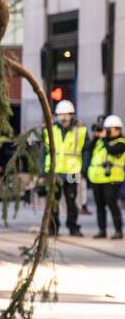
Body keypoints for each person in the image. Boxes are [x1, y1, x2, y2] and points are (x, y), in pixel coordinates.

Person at [43, 100, 87, 237]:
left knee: (71, 201)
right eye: (60, 114)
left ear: (72, 115)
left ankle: (73, 227)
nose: (63, 117)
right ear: (56, 115)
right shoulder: (49, 130)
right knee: (53, 201)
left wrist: (84, 169)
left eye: (66, 114)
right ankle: (53, 228)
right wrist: (42, 171)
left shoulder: (81, 131)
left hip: (71, 171)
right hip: (54, 171)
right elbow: (43, 152)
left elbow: (86, 151)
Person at [86, 114, 125, 240]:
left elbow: (112, 151)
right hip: (97, 178)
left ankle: (118, 230)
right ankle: (102, 230)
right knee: (100, 206)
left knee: (112, 205)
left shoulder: (121, 142)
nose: (106, 131)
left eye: (109, 129)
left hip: (112, 179)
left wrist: (103, 139)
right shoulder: (101, 141)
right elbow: (88, 148)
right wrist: (96, 137)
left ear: (117, 129)